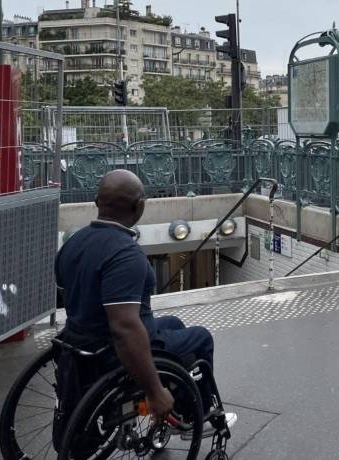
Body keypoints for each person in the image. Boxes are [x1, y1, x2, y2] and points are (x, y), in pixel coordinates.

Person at [55, 169, 235, 438]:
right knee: (201, 338)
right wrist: (154, 392)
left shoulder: (73, 243)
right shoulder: (126, 255)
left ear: (96, 202)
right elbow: (124, 328)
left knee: (174, 323)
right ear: (139, 206)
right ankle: (195, 413)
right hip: (111, 350)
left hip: (81, 341)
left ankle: (179, 395)